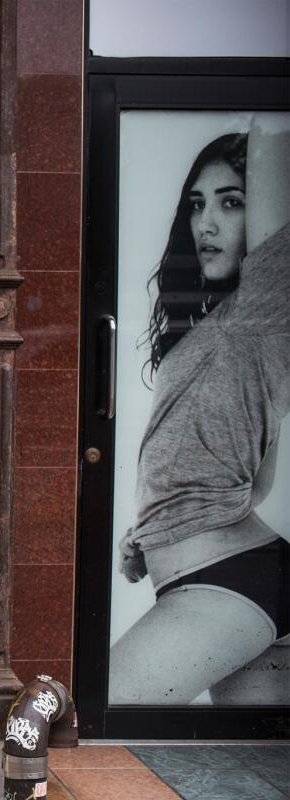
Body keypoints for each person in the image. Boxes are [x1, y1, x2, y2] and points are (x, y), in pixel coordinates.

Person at [110, 119, 290, 705]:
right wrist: (156, 526)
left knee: (78, 720)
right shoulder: (221, 330)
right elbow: (258, 481)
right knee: (243, 774)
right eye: (196, 205)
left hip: (229, 582)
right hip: (235, 577)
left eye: (232, 203)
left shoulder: (263, 302)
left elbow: (273, 135)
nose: (206, 223)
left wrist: (252, 122)